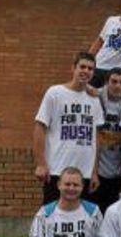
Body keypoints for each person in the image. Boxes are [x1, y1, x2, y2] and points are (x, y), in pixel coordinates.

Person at [34, 52, 105, 204]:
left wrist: (94, 172)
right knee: (53, 214)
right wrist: (41, 164)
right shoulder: (55, 93)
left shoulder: (94, 100)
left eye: (90, 68)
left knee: (82, 216)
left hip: (85, 173)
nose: (86, 71)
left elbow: (96, 138)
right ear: (73, 68)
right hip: (57, 170)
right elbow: (40, 127)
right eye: (82, 67)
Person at [94, 68, 121, 212]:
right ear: (106, 83)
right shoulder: (97, 96)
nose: (117, 85)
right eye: (114, 81)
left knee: (112, 211)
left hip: (117, 170)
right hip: (97, 169)